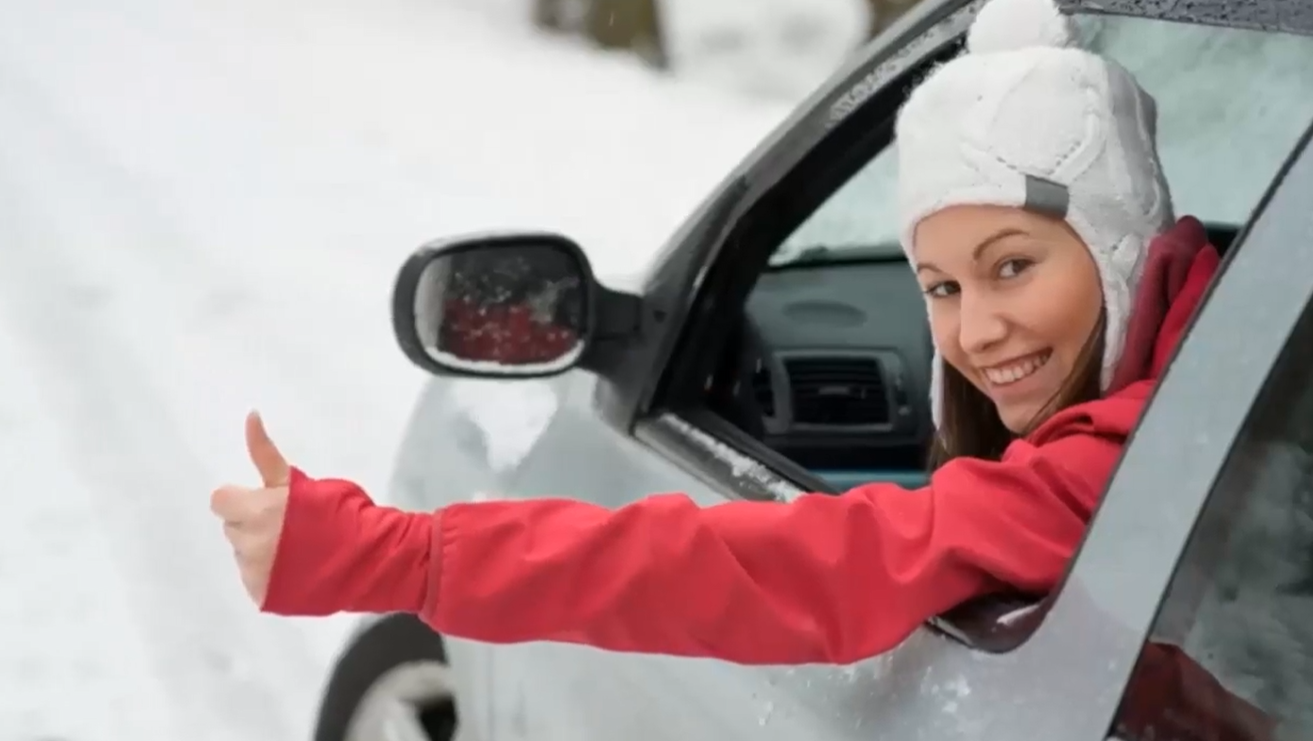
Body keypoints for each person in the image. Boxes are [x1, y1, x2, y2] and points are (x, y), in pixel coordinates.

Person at [210, 0, 1271, 736]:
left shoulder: (1113, 472)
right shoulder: (1250, 364)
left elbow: (764, 569)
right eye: (940, 288)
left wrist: (395, 557)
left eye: (1012, 266)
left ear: (1119, 245)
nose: (977, 332)